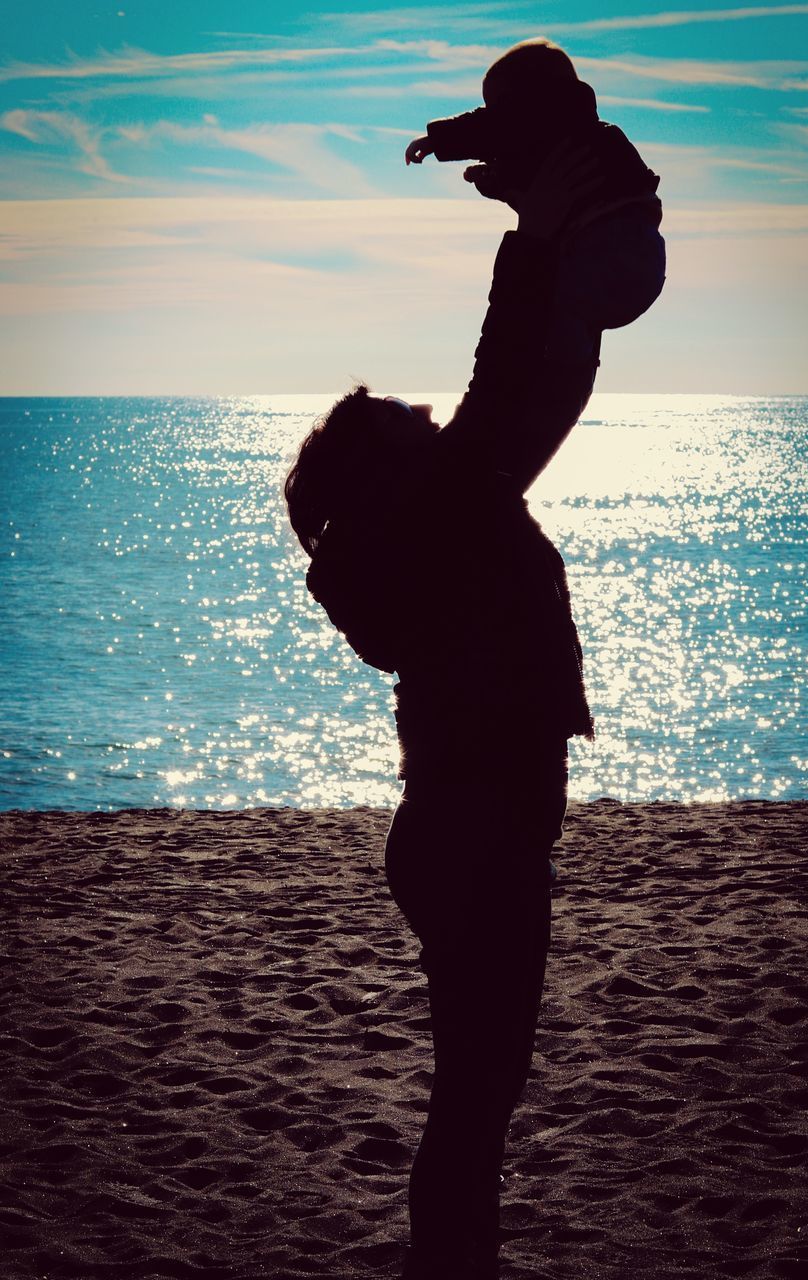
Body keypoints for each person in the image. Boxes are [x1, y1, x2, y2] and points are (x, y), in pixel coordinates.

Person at [285, 148, 596, 1280]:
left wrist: (545, 239)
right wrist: (535, 233)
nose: (432, 417)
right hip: (474, 832)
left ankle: (459, 1260)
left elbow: (528, 388)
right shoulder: (441, 517)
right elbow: (508, 375)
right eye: (411, 420)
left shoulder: (430, 527)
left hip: (460, 829)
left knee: (477, 1088)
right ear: (387, 469)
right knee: (476, 1091)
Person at [405, 37, 666, 373]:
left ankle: (563, 368)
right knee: (566, 306)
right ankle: (571, 361)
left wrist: (436, 140)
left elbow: (494, 131)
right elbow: (538, 176)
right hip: (647, 260)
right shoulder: (590, 134)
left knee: (557, 306)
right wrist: (499, 180)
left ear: (525, 101)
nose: (494, 118)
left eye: (496, 108)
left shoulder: (542, 120)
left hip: (603, 251)